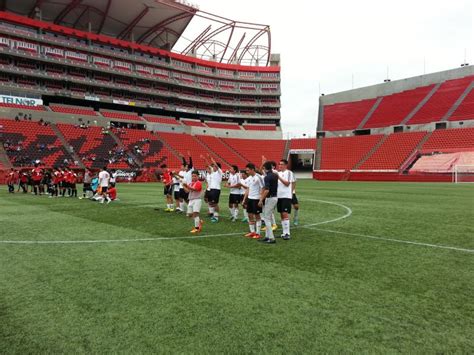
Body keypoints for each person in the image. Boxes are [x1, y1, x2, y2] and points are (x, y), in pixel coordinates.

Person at [241, 163, 264, 239]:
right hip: (250, 199)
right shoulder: (249, 178)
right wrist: (244, 199)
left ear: (252, 169)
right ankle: (252, 232)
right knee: (250, 215)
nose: (246, 172)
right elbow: (248, 188)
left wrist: (261, 200)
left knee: (257, 216)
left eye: (248, 170)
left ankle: (258, 233)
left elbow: (263, 188)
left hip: (256, 199)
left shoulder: (258, 177)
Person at [259, 161, 279, 244]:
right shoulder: (275, 175)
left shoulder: (267, 177)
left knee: (266, 218)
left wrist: (261, 199)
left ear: (264, 168)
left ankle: (271, 238)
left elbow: (267, 190)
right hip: (274, 197)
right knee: (269, 217)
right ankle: (267, 236)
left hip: (270, 198)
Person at [277, 159, 294, 240]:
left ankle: (287, 233)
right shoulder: (278, 173)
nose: (280, 166)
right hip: (279, 196)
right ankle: (284, 233)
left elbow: (287, 183)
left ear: (286, 165)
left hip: (286, 196)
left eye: (282, 164)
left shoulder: (289, 173)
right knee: (281, 214)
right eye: (279, 164)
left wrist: (278, 177)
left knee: (285, 213)